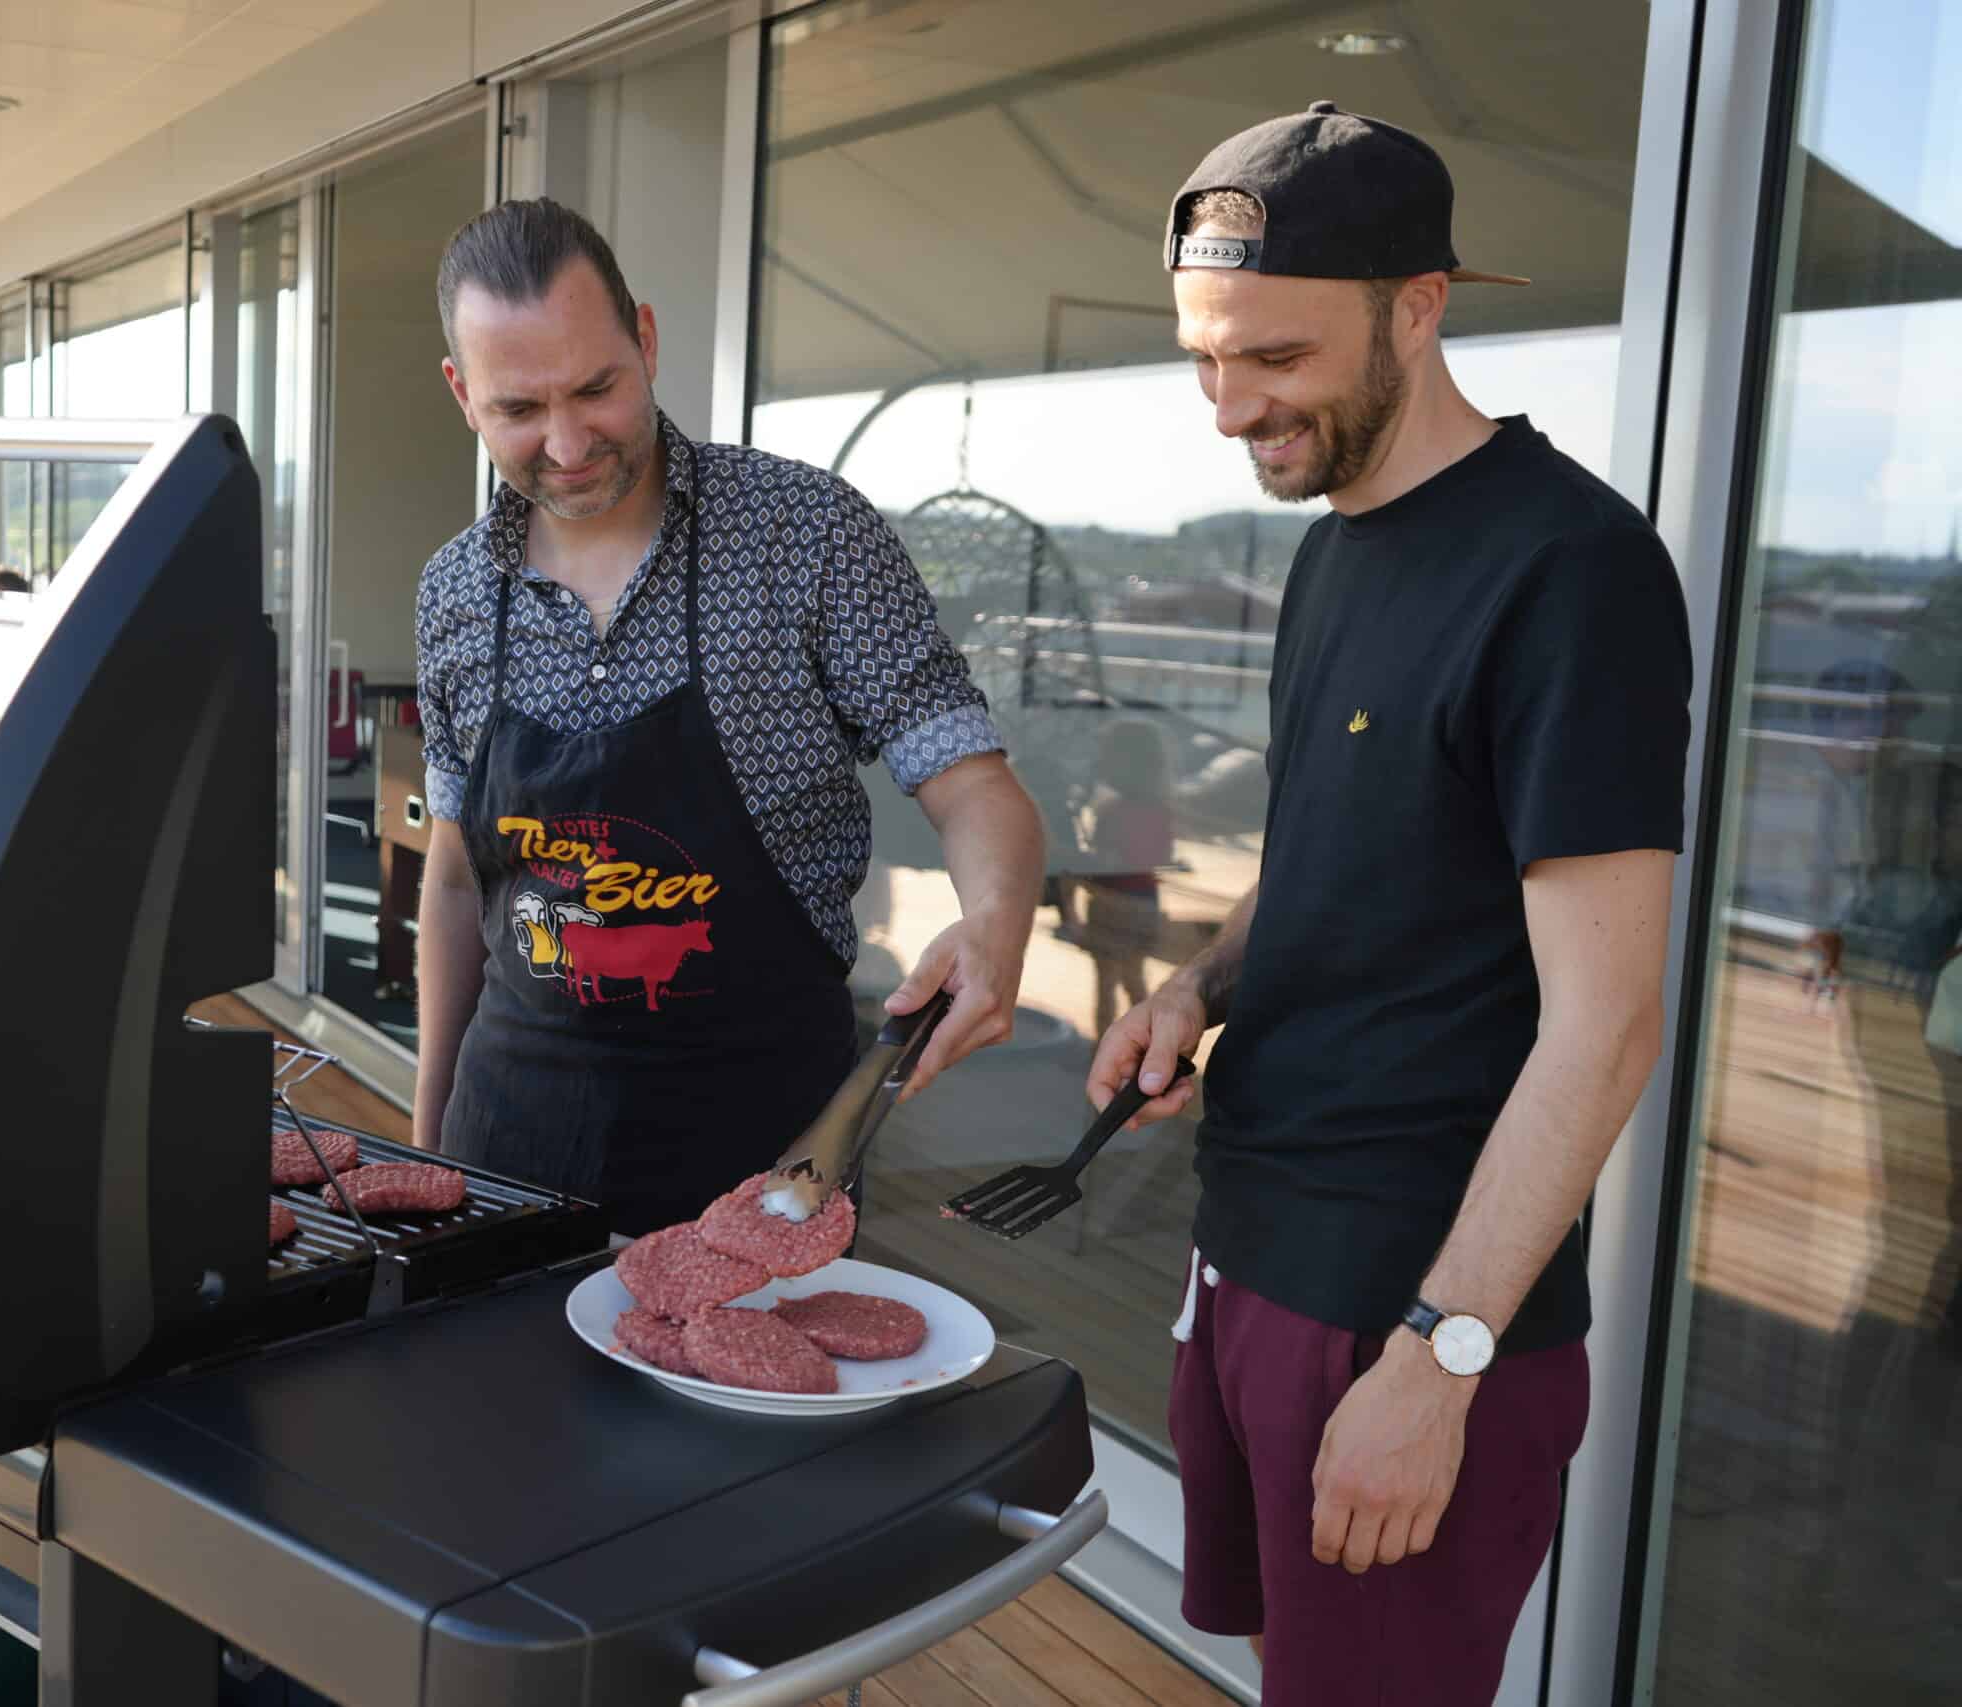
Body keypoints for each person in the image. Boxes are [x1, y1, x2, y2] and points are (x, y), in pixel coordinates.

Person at [1088, 104, 1691, 1704]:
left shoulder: (1572, 571)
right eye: (1205, 356)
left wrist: (1444, 1357)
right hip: (1253, 1250)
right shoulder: (1336, 546)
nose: (1230, 407)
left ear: (1419, 306)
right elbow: (1329, 856)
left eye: (1274, 357)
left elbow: (1608, 1022)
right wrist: (1198, 992)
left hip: (1412, 1312)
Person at [412, 198, 1043, 1235]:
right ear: (461, 394)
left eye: (597, 389)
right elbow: (452, 879)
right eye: (518, 409)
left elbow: (971, 781)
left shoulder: (807, 535)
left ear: (646, 341)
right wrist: (431, 1133)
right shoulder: (452, 594)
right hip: (511, 1135)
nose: (566, 443)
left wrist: (994, 929)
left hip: (763, 1148)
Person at [1058, 715, 1176, 1038]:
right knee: (1136, 981)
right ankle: (1148, 1046)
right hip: (1146, 904)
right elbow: (1160, 856)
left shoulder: (1112, 813)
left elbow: (1106, 863)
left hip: (1111, 906)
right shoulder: (1161, 810)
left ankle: (1104, 1051)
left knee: (1106, 984)